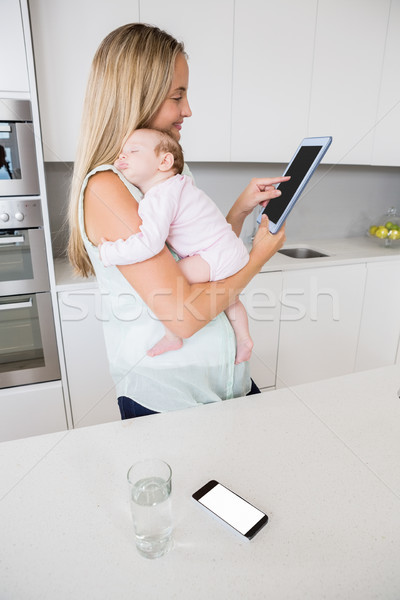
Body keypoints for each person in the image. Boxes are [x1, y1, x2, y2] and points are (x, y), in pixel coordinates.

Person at [68, 23, 288, 420]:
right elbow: (182, 317)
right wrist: (256, 259)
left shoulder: (162, 174)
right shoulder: (107, 188)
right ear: (138, 96)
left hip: (225, 384)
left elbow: (204, 255)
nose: (188, 110)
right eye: (177, 96)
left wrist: (237, 211)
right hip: (170, 399)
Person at [99, 127, 254, 365]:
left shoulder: (160, 196)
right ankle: (244, 339)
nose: (122, 156)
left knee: (167, 283)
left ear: (164, 161)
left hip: (215, 254)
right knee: (230, 300)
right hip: (227, 250)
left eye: (133, 151)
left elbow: (150, 243)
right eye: (121, 153)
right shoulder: (181, 185)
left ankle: (173, 335)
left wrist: (110, 253)